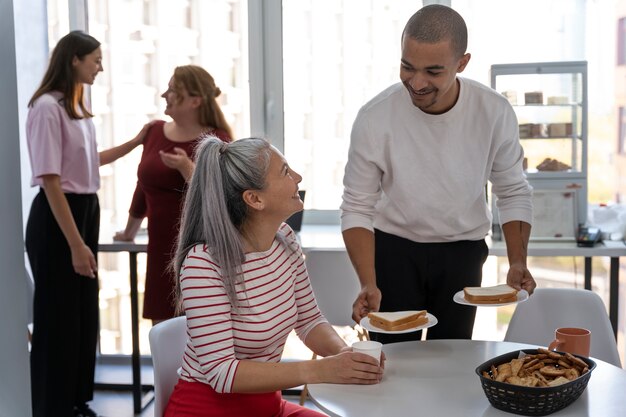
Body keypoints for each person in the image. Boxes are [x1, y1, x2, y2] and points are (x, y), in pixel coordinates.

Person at [341, 4, 537, 345]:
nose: (416, 83)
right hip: (394, 250)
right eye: (407, 67)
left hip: (463, 251)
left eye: (433, 71)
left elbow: (513, 190)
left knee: (453, 358)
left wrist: (517, 261)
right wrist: (367, 283)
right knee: (394, 364)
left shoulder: (492, 111)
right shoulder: (374, 117)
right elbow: (357, 205)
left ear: (462, 63)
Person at [165, 137, 384, 417]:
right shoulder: (204, 264)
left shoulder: (285, 239)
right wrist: (319, 370)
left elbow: (309, 321)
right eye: (285, 172)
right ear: (254, 199)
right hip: (208, 410)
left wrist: (345, 357)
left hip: (269, 407)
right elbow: (221, 373)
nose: (298, 178)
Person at [25, 31, 151, 417]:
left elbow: (87, 162)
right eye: (95, 59)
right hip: (59, 218)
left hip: (83, 211)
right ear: (74, 59)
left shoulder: (72, 106)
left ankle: (75, 401)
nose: (100, 66)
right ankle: (52, 406)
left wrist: (135, 142)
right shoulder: (46, 107)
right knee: (57, 317)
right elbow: (50, 180)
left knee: (81, 315)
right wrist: (77, 245)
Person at [114, 65, 232, 324]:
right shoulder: (154, 131)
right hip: (160, 250)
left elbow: (222, 198)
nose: (164, 95)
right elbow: (143, 188)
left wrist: (186, 169)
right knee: (163, 331)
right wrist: (129, 232)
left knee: (200, 332)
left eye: (172, 90)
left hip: (200, 250)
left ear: (195, 101)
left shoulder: (218, 140)